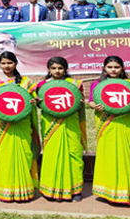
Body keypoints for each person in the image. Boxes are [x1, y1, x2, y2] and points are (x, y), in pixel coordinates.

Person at [88, 56, 130, 206]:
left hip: (126, 123)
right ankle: (106, 191)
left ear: (122, 68)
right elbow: (91, 101)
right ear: (104, 68)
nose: (113, 70)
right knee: (108, 155)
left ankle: (126, 192)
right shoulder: (98, 84)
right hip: (106, 123)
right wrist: (94, 106)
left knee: (128, 154)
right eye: (110, 67)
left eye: (116, 67)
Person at [0, 52, 37, 202]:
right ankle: (4, 190)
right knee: (4, 156)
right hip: (2, 124)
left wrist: (34, 101)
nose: (7, 66)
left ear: (15, 63)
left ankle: (24, 190)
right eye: (4, 63)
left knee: (25, 153)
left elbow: (37, 98)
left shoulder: (26, 82)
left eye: (10, 63)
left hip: (22, 124)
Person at [35, 57, 85, 201]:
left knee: (74, 154)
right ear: (49, 70)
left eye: (60, 68)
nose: (57, 71)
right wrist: (38, 102)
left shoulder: (75, 84)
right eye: (54, 68)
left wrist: (80, 103)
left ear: (65, 69)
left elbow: (79, 105)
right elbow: (40, 105)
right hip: (51, 124)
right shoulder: (42, 85)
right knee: (52, 156)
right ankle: (51, 190)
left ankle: (75, 190)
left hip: (70, 124)